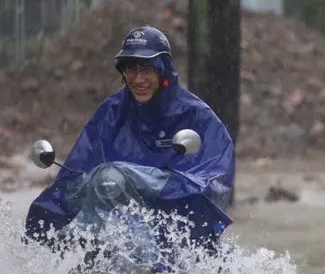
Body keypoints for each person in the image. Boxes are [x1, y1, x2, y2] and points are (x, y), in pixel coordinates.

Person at [24, 25, 235, 245]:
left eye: (147, 69)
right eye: (131, 70)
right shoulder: (112, 112)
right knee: (97, 189)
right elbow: (78, 174)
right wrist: (39, 226)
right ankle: (87, 258)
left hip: (174, 230)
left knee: (109, 179)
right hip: (111, 231)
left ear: (162, 70)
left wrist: (159, 190)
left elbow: (214, 183)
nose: (138, 79)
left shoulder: (197, 115)